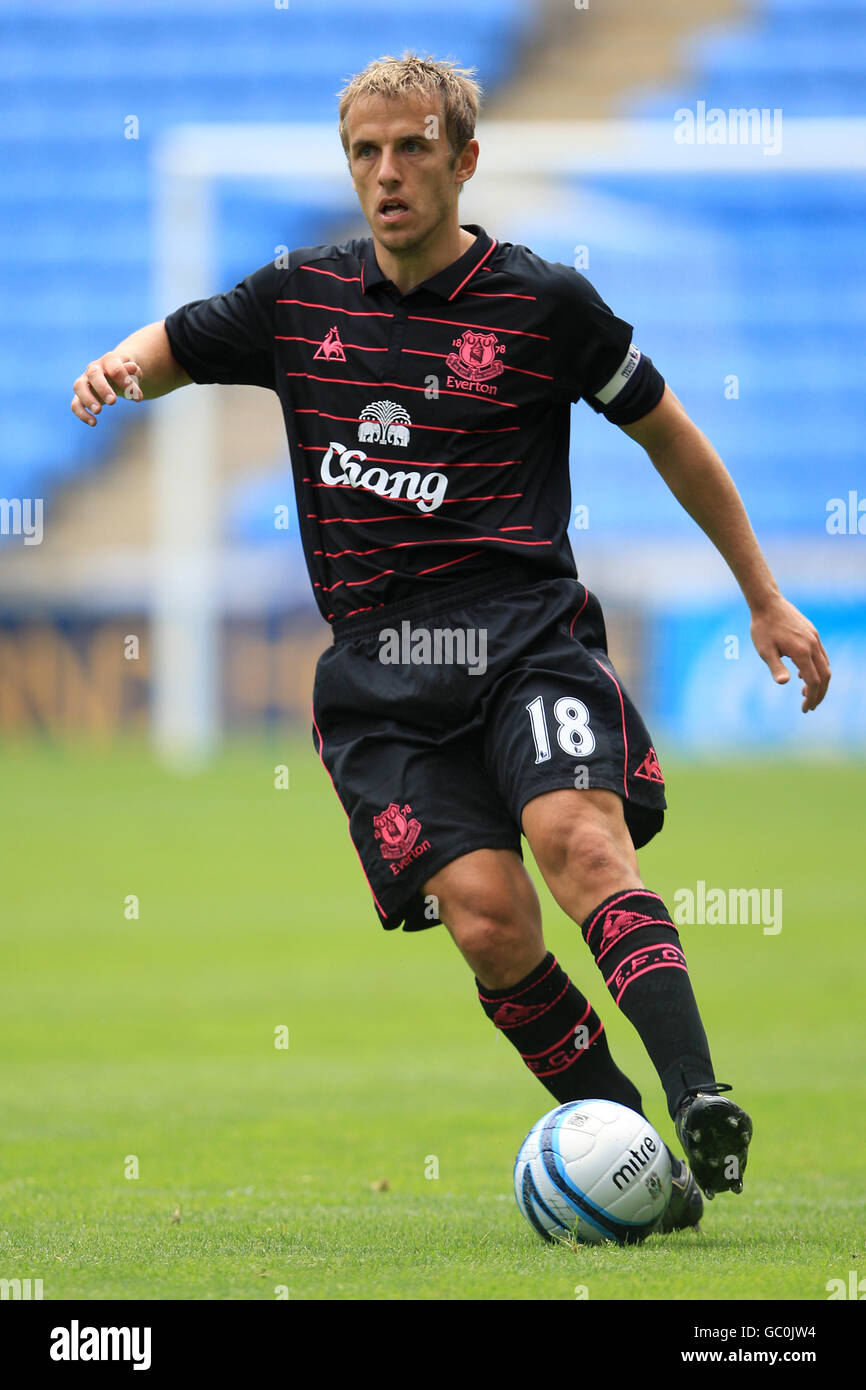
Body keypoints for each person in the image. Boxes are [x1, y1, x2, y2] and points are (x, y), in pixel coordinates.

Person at [71, 53, 830, 1233]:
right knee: (487, 919)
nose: (385, 174)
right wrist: (123, 368)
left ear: (461, 159)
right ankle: (637, 1162)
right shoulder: (296, 298)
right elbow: (173, 339)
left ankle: (699, 1098)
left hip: (523, 639)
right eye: (364, 154)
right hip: (379, 680)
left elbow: (668, 434)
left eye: (410, 149)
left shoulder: (543, 304)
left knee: (577, 843)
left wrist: (763, 594)